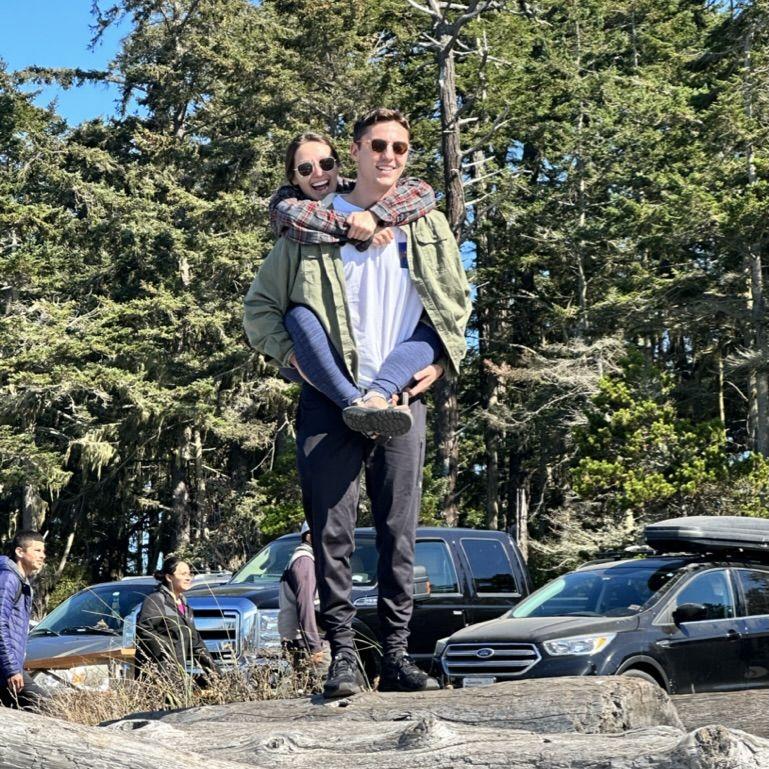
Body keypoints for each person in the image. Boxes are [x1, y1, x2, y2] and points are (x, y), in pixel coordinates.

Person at [244, 108, 472, 698]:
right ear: (357, 150)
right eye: (378, 146)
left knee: (400, 533)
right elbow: (262, 310)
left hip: (400, 398)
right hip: (329, 401)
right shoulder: (306, 230)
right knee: (332, 533)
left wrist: (442, 362)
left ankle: (395, 657)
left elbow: (453, 300)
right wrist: (289, 358)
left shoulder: (426, 221)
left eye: (400, 147)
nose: (389, 157)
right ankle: (343, 658)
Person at [269, 132, 445, 437]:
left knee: (429, 325)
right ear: (293, 178)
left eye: (326, 163)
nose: (319, 173)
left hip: (400, 390)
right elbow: (293, 217)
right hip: (325, 384)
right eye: (306, 169)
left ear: (339, 164)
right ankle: (358, 404)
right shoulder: (290, 213)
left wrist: (376, 217)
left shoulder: (386, 206)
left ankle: (374, 399)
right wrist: (355, 229)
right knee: (299, 316)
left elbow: (423, 193)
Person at [135, 557, 217, 682]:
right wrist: (167, 652)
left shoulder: (184, 605)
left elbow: (195, 643)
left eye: (190, 574)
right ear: (169, 577)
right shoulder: (156, 600)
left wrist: (214, 673)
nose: (188, 578)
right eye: (183, 574)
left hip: (178, 673)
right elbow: (144, 630)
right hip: (159, 675)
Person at [0, 530, 48, 710]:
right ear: (20, 552)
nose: (42, 556)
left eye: (43, 551)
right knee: (45, 705)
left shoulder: (20, 581)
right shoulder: (8, 579)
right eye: (37, 551)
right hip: (5, 669)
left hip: (7, 667)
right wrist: (12, 668)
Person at [278, 521, 330, 672]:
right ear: (309, 537)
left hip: (304, 639)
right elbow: (306, 605)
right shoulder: (304, 561)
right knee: (324, 689)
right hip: (305, 641)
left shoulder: (305, 559)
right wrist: (315, 647)